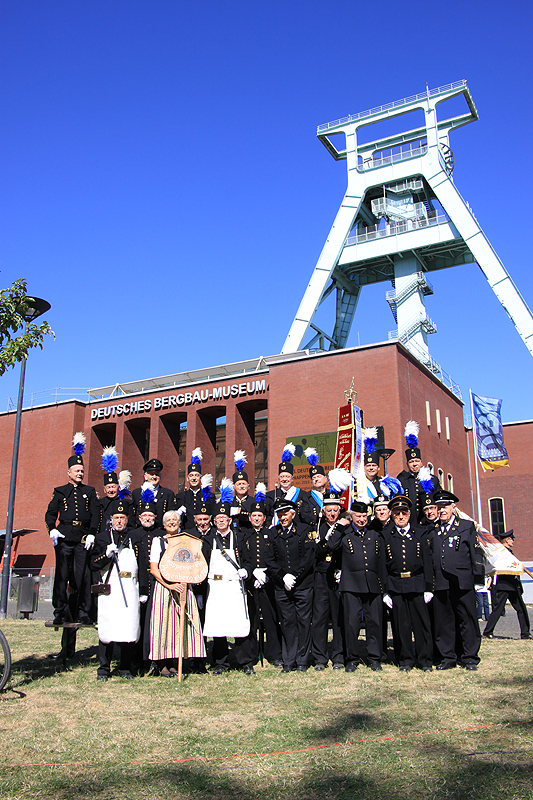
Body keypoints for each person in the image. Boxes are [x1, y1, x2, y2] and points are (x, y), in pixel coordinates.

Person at [45, 434, 99, 626]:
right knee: (62, 576)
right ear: (68, 472)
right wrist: (52, 529)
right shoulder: (60, 491)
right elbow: (50, 513)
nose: (80, 474)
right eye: (76, 471)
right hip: (65, 536)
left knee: (82, 576)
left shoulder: (89, 491)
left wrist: (92, 532)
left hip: (82, 539)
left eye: (82, 471)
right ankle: (59, 610)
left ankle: (83, 611)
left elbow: (95, 515)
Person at [327, 500, 386, 672]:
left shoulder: (374, 534)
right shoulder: (345, 533)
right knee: (352, 624)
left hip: (372, 585)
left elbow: (381, 561)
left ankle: (374, 658)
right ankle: (351, 658)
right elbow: (332, 545)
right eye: (358, 517)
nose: (361, 520)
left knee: (374, 622)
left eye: (364, 517)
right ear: (351, 517)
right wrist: (339, 526)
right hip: (351, 585)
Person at [428, 490, 484, 670]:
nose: (442, 510)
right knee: (444, 621)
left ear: (453, 507)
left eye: (445, 507)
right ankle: (447, 657)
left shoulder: (466, 527)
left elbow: (477, 553)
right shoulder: (433, 530)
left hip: (462, 580)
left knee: (467, 620)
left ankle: (469, 657)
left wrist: (478, 578)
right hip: (441, 582)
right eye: (439, 507)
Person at [147, 510, 207, 677]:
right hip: (164, 588)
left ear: (179, 523)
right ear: (164, 524)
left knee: (178, 625)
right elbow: (154, 569)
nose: (172, 523)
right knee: (163, 624)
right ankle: (162, 664)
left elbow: (194, 564)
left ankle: (175, 662)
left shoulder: (186, 541)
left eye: (174, 520)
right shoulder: (157, 541)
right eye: (168, 521)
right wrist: (169, 585)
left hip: (183, 586)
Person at [91, 499, 144, 681]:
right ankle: (104, 668)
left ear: (127, 519)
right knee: (107, 628)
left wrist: (143, 590)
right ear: (111, 519)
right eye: (116, 518)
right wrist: (105, 556)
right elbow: (92, 564)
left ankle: (125, 667)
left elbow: (143, 563)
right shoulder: (102, 538)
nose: (119, 521)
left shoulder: (135, 538)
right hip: (110, 589)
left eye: (122, 517)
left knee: (128, 628)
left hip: (130, 587)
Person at [202, 483, 251, 674]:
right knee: (218, 626)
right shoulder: (208, 540)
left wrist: (246, 570)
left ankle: (244, 662)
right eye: (218, 518)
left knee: (239, 624)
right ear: (214, 521)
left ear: (230, 521)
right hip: (215, 587)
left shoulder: (239, 538)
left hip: (234, 586)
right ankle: (221, 663)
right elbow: (202, 563)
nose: (221, 521)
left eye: (224, 518)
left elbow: (247, 560)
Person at [381, 495, 433, 672]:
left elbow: (427, 562)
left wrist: (428, 587)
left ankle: (424, 660)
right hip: (396, 585)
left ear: (409, 514)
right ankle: (405, 660)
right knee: (400, 625)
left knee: (421, 624)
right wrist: (386, 591)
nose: (400, 516)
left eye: (403, 513)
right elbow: (383, 566)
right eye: (397, 513)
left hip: (417, 583)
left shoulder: (420, 534)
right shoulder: (387, 536)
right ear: (392, 515)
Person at [264, 497, 315, 672]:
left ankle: (302, 660)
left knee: (303, 621)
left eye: (285, 513)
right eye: (279, 514)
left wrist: (295, 575)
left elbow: (308, 558)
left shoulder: (305, 530)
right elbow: (269, 559)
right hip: (281, 586)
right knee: (287, 622)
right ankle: (288, 660)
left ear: (293, 514)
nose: (282, 517)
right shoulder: (272, 533)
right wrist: (282, 576)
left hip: (302, 585)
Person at [241, 487, 283, 667]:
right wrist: (251, 574)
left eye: (260, 516)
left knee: (271, 619)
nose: (257, 518)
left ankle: (274, 654)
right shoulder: (244, 536)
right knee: (250, 621)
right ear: (249, 518)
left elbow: (275, 557)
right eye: (254, 516)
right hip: (251, 584)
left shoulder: (271, 535)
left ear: (264, 518)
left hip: (268, 583)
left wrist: (266, 573)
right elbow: (242, 558)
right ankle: (250, 655)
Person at [312, 492, 345, 670]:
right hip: (321, 575)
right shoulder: (318, 527)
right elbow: (317, 550)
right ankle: (320, 658)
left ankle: (339, 657)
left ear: (339, 511)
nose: (332, 514)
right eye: (329, 510)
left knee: (338, 616)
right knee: (320, 617)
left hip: (338, 574)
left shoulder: (345, 527)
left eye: (335, 510)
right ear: (323, 511)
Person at [482, 531, 532, 640]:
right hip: (504, 584)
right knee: (498, 610)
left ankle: (525, 633)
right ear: (507, 540)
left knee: (521, 608)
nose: (513, 541)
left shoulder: (509, 552)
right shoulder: (502, 553)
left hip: (512, 585)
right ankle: (487, 631)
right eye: (511, 539)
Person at [397, 421, 441, 524]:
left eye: (417, 461)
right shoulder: (402, 480)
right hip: (410, 522)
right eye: (411, 462)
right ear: (407, 464)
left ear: (421, 462)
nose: (414, 464)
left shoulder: (432, 479)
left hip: (427, 522)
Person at [266, 444, 307, 525]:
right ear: (278, 479)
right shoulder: (270, 495)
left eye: (287, 477)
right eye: (282, 477)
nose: (284, 479)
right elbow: (268, 515)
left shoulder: (302, 495)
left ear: (292, 479)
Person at [130, 458, 174, 528]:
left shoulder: (168, 494)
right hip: (140, 532)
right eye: (151, 474)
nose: (154, 477)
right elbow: (132, 516)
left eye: (156, 474)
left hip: (160, 531)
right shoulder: (137, 493)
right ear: (145, 476)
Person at [174, 448, 206, 531]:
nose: (194, 478)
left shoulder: (207, 495)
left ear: (200, 478)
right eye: (191, 476)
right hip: (186, 532)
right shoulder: (180, 496)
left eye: (196, 475)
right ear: (187, 478)